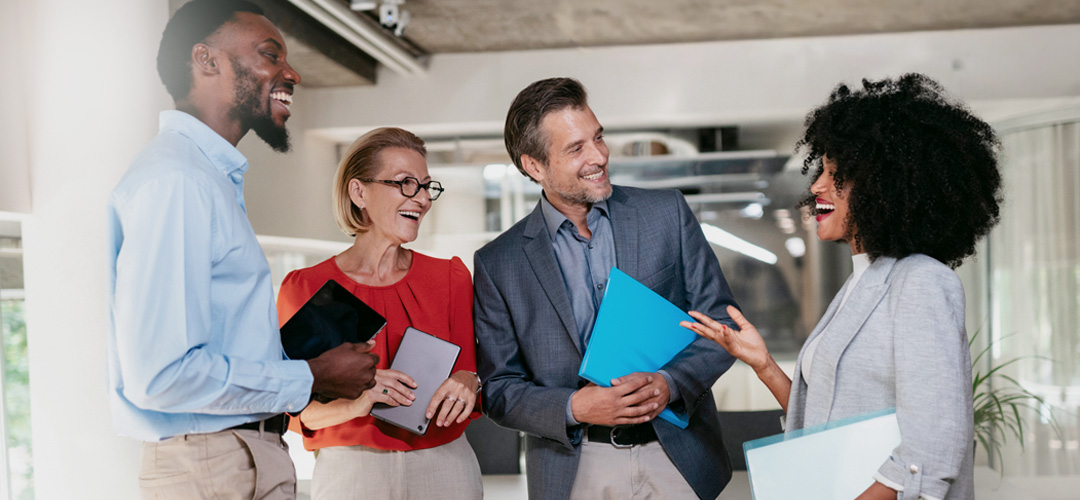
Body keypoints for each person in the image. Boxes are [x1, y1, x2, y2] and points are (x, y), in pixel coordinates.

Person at [682, 74, 1002, 500]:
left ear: (885, 187)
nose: (817, 185)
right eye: (822, 170)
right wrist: (764, 364)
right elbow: (824, 424)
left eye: (837, 174)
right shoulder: (862, 283)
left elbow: (931, 449)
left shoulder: (921, 280)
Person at [106, 1, 378, 498]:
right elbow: (162, 376)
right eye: (270, 55)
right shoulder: (179, 181)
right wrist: (311, 374)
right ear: (206, 60)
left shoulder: (205, 177)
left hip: (236, 453)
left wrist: (301, 362)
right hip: (212, 462)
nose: (291, 73)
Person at [473, 77, 740, 500]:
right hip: (575, 466)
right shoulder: (499, 262)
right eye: (576, 148)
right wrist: (576, 407)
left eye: (598, 137)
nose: (598, 156)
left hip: (677, 457)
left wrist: (670, 383)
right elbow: (499, 388)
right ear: (534, 166)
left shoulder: (666, 213)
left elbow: (723, 324)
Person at [276, 127, 483, 500]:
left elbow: (470, 373)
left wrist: (470, 380)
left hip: (445, 465)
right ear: (359, 192)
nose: (422, 199)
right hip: (352, 472)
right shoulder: (306, 287)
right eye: (405, 183)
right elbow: (298, 412)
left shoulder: (450, 277)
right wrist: (360, 401)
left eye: (426, 186)